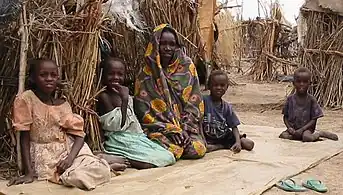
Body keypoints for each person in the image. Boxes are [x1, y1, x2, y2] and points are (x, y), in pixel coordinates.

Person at [9, 59, 111, 190]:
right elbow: (24, 137)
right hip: (46, 157)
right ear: (33, 78)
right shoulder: (26, 99)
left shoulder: (63, 104)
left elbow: (79, 136)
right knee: (76, 178)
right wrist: (29, 173)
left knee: (100, 171)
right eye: (43, 75)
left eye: (53, 75)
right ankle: (100, 163)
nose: (49, 79)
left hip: (69, 150)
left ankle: (101, 164)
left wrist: (69, 158)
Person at [134, 24, 207, 160]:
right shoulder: (146, 74)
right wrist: (171, 129)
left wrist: (184, 129)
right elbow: (143, 110)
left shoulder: (187, 67)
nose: (168, 48)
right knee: (172, 150)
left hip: (186, 127)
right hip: (160, 129)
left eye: (172, 44)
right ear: (155, 45)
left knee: (196, 149)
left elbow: (195, 102)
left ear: (177, 46)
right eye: (163, 44)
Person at [97, 57, 176, 169]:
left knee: (169, 156)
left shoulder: (126, 95)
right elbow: (116, 126)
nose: (116, 77)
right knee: (151, 163)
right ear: (103, 76)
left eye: (120, 74)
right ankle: (124, 159)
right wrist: (124, 100)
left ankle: (126, 157)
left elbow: (133, 120)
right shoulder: (105, 97)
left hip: (135, 138)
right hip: (119, 140)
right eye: (111, 74)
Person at [279, 67, 339, 142]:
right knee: (283, 135)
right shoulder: (290, 99)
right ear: (293, 83)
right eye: (298, 81)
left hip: (307, 129)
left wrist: (302, 129)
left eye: (305, 82)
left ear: (309, 84)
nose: (301, 84)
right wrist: (289, 128)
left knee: (307, 138)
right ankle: (297, 136)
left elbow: (314, 119)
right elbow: (285, 117)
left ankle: (319, 134)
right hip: (293, 129)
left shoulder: (311, 100)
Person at [203, 70, 254, 153]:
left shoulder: (227, 107)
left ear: (227, 87)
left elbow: (234, 126)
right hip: (207, 137)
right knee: (204, 148)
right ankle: (221, 146)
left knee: (249, 144)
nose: (219, 88)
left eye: (222, 85)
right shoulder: (203, 101)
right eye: (215, 85)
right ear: (209, 86)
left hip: (223, 136)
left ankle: (223, 145)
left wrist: (238, 142)